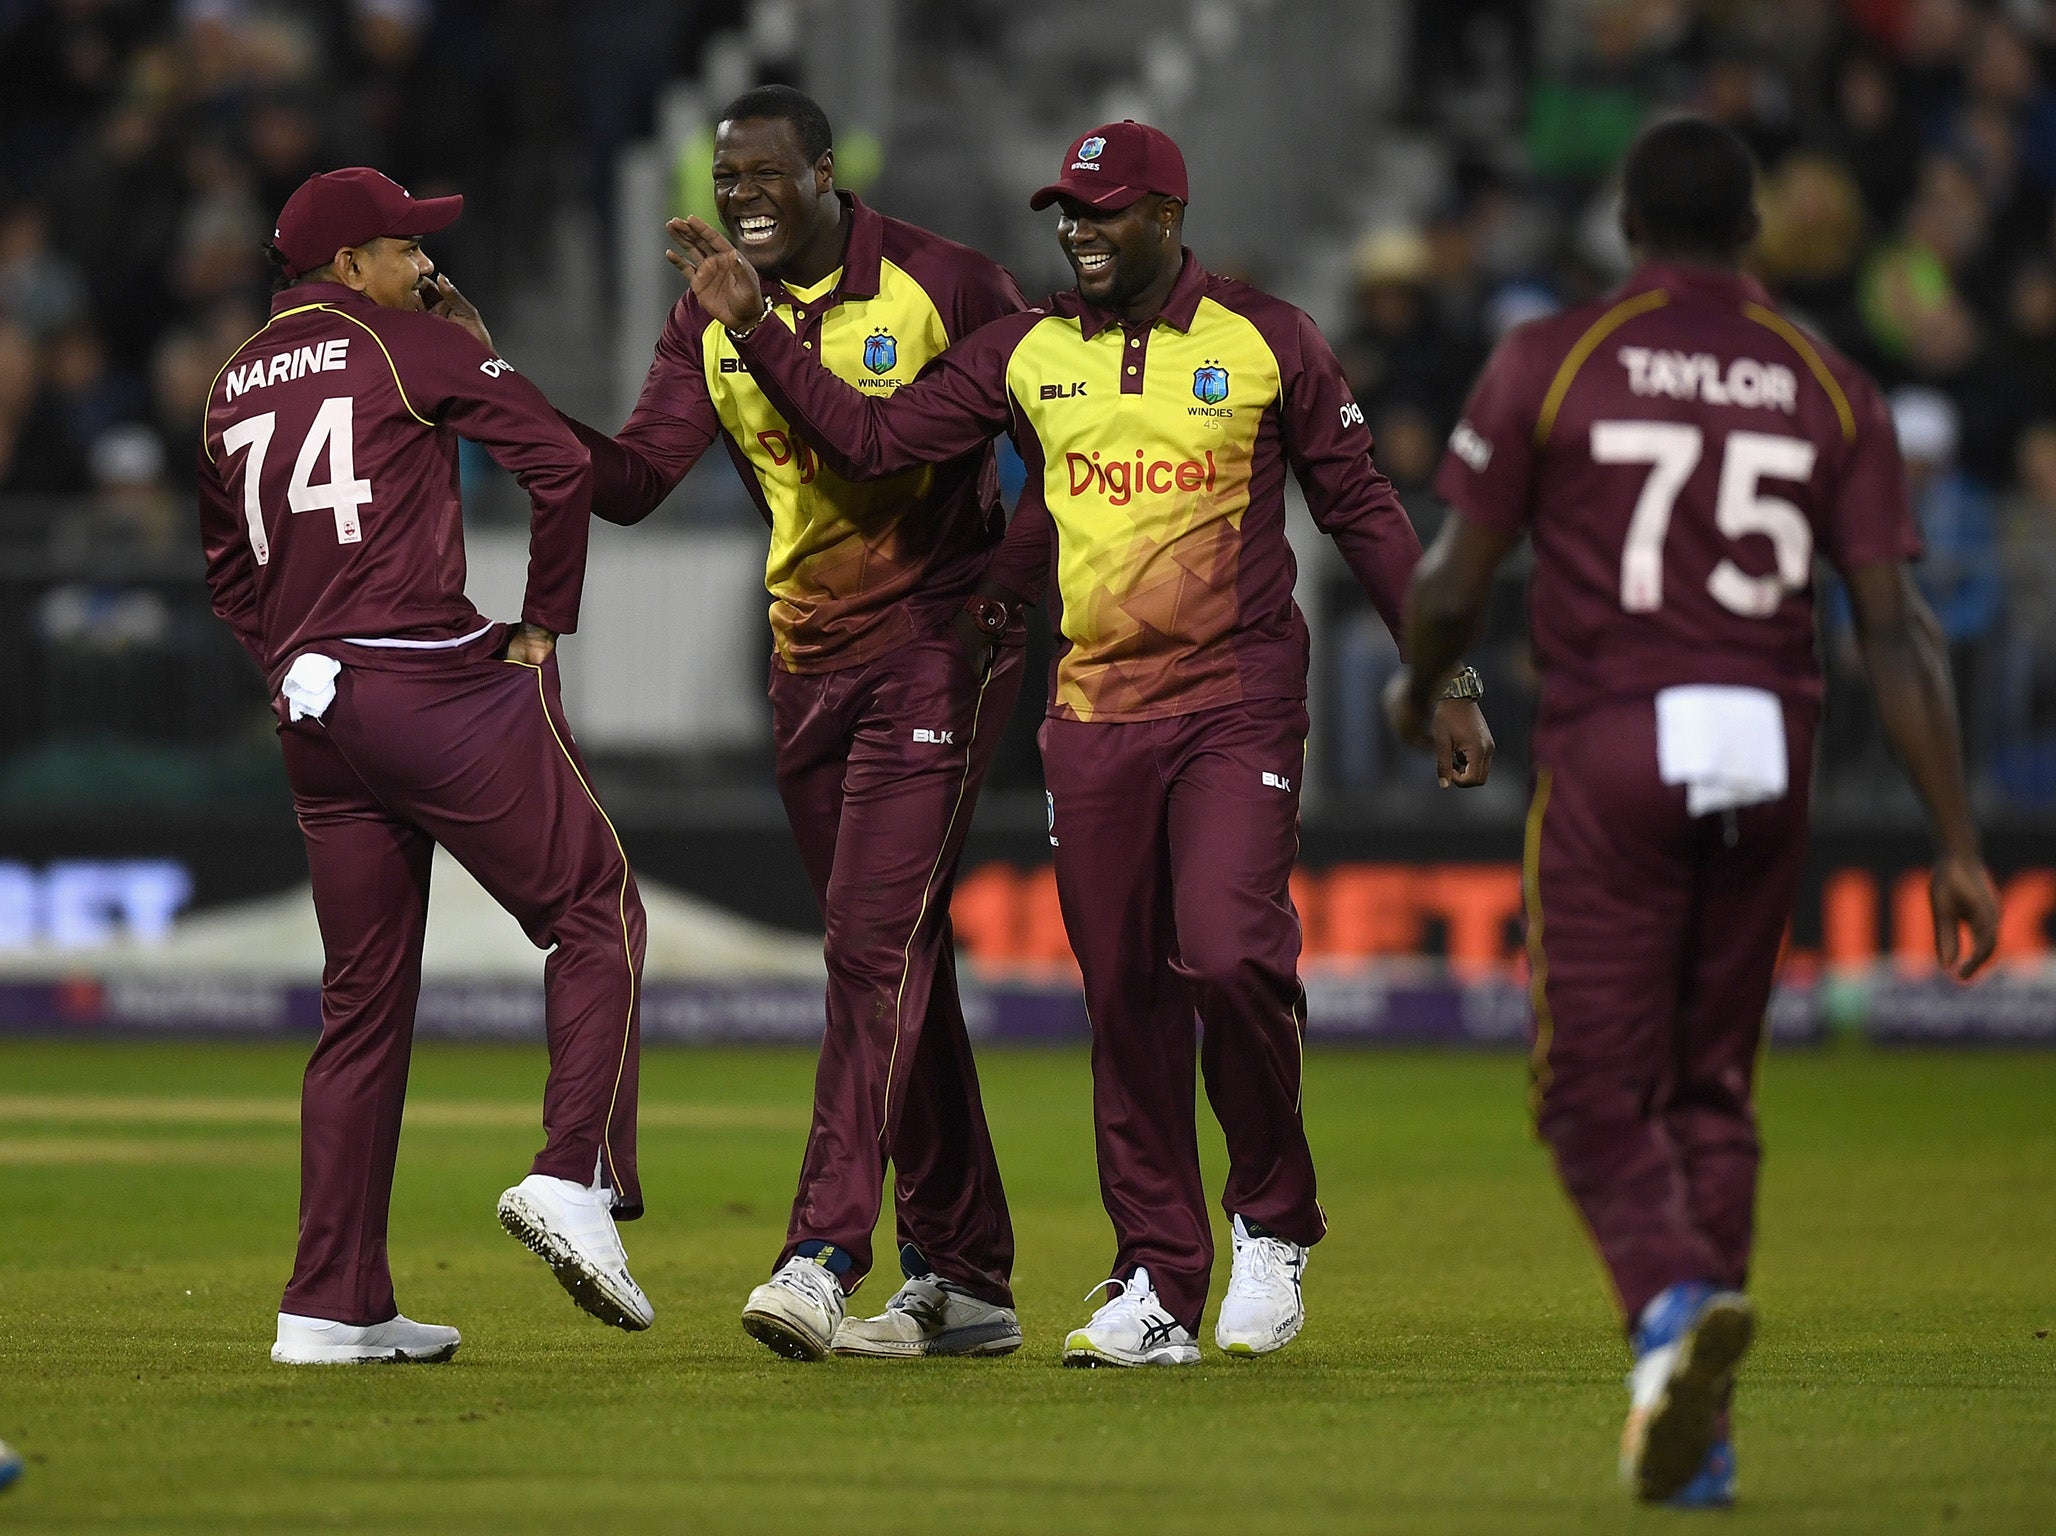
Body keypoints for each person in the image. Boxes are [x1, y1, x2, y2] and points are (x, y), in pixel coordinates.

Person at [667, 119, 1495, 1367]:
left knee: (1226, 954)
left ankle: (1273, 1216)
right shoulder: (1026, 350)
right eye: (1066, 210)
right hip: (1092, 711)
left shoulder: (1266, 339)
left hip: (1234, 701)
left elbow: (1364, 507)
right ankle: (1156, 1279)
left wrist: (1442, 673)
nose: (1077, 230)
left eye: (1103, 212)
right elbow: (880, 443)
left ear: (1168, 216)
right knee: (1124, 998)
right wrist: (756, 325)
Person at [1383, 118, 2000, 1506]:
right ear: (1756, 230)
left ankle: (1669, 1308)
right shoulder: (1834, 386)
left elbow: (1450, 579)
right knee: (1714, 1083)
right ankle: (1698, 1426)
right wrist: (1957, 844)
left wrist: (1425, 689)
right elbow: (1895, 635)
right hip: (1770, 743)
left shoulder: (1558, 355)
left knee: (1589, 1089)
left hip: (1620, 743)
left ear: (1624, 225)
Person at [496, 86, 1032, 1362]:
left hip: (935, 654)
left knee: (866, 949)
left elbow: (913, 452)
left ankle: (821, 1253)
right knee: (901, 960)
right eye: (725, 176)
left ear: (828, 175)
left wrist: (1013, 591)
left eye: (764, 174)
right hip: (808, 665)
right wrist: (496, 386)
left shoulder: (947, 283)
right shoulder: (708, 318)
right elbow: (627, 483)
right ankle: (967, 1280)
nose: (740, 195)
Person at [197, 167, 655, 1365]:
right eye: (405, 248)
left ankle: (330, 1302)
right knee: (594, 913)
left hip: (317, 713)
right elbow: (559, 466)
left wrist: (295, 669)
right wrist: (542, 624)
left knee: (359, 1007)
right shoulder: (405, 346)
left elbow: (228, 580)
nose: (424, 266)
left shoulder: (228, 386)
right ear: (349, 268)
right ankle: (575, 1176)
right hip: (427, 679)